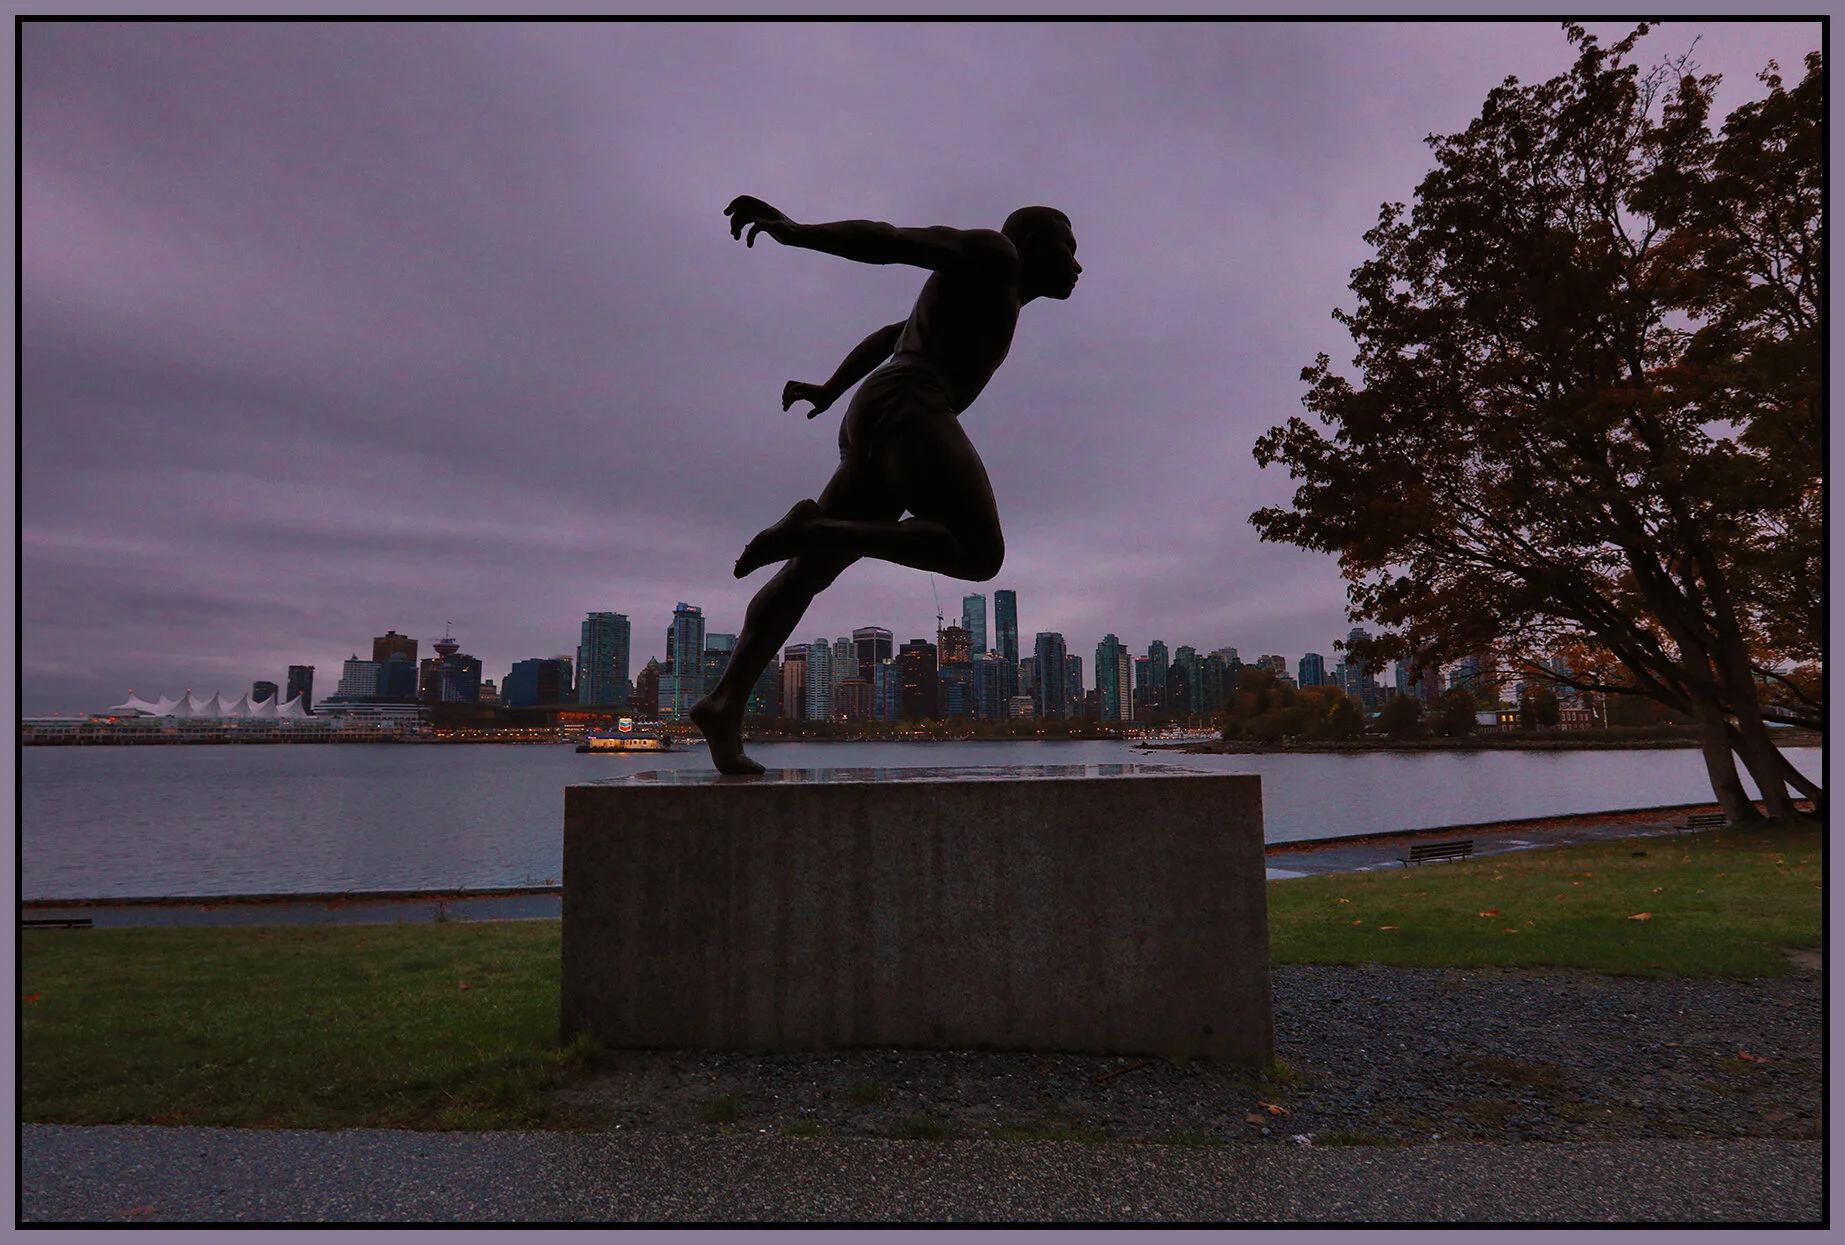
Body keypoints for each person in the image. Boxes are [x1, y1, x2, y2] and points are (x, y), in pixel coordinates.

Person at [691, 195, 1081, 774]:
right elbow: (891, 240)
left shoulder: (990, 296)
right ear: (1030, 243)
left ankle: (723, 704)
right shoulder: (994, 254)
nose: (1077, 265)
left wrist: (829, 389)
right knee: (979, 553)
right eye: (1067, 249)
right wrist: (797, 233)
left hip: (881, 404)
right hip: (912, 403)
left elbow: (889, 337)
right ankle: (817, 528)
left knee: (806, 574)